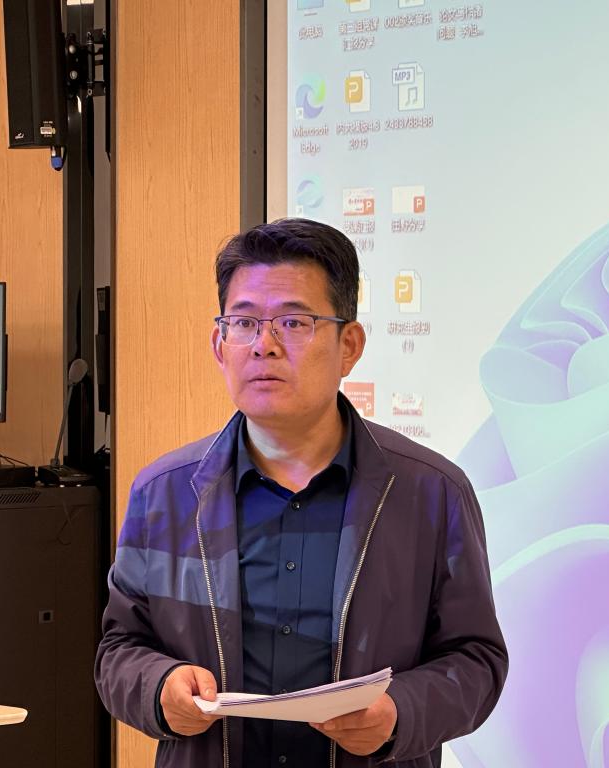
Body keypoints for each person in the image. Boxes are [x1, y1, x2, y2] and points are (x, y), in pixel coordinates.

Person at [95, 218, 508, 768]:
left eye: (293, 322)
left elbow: (476, 659)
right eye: (243, 323)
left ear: (349, 345)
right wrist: (159, 686)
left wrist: (400, 712)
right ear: (219, 345)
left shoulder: (432, 493)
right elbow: (118, 650)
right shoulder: (165, 494)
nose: (264, 345)